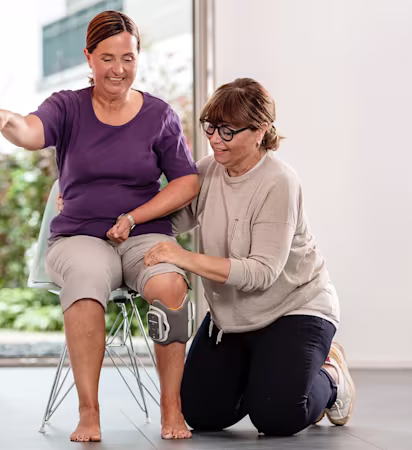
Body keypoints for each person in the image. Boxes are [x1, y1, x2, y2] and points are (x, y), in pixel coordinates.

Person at [0, 11, 199, 442]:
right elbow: (31, 131)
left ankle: (172, 405)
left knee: (171, 288)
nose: (118, 69)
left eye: (127, 58)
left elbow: (187, 181)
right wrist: (6, 120)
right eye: (107, 58)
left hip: (143, 236)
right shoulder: (67, 107)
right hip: (80, 236)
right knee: (85, 281)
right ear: (88, 57)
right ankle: (89, 411)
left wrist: (134, 217)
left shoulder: (159, 115)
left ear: (138, 57)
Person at [144, 78, 355, 436]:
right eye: (210, 126)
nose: (214, 139)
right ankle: (264, 377)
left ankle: (332, 375)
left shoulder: (279, 181)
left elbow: (261, 272)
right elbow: (170, 218)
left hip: (294, 308)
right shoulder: (209, 170)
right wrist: (103, 207)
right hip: (233, 319)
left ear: (260, 131)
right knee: (200, 413)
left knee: (278, 416)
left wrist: (183, 257)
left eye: (227, 131)